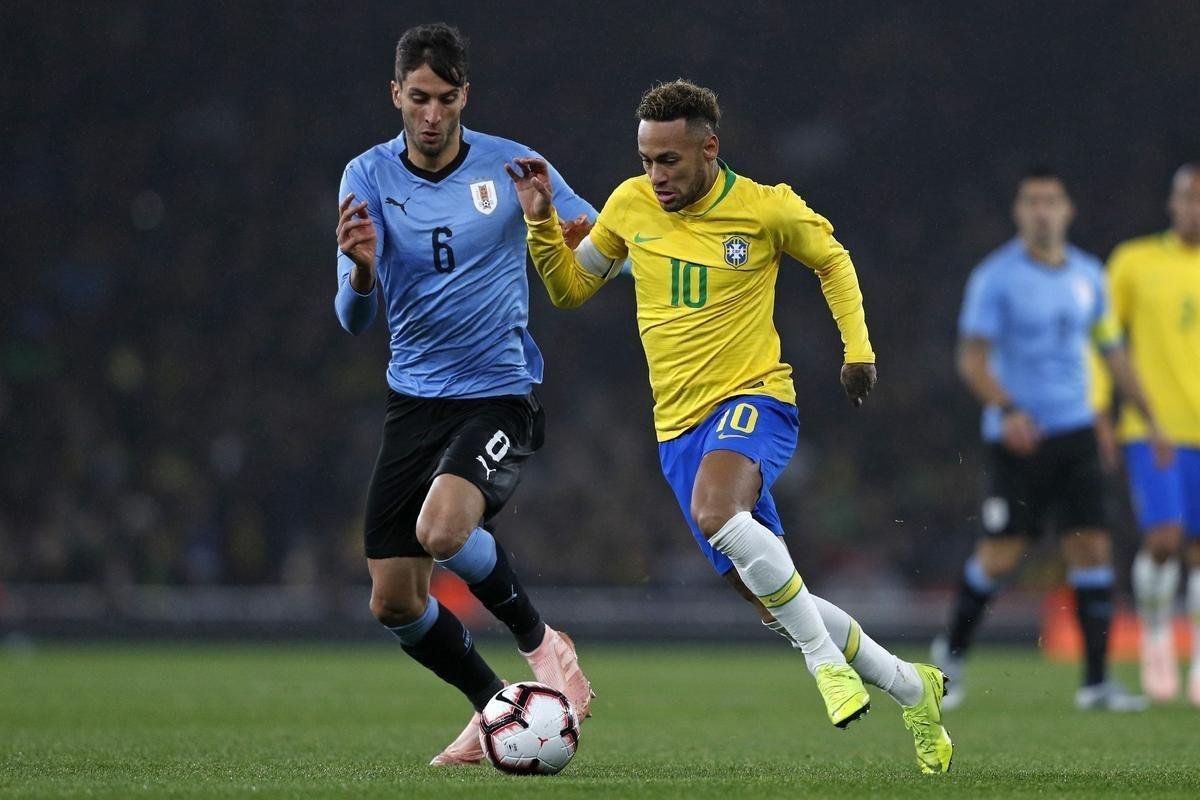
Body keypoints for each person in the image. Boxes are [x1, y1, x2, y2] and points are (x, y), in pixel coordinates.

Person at [506, 79, 953, 774]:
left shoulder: (765, 207)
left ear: (709, 148)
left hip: (754, 398)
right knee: (779, 600)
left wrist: (857, 351)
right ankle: (911, 687)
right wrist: (539, 222)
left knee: (718, 512)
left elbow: (833, 260)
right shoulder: (628, 206)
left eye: (670, 161)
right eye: (648, 160)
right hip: (677, 430)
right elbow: (570, 288)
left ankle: (824, 667)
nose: (656, 176)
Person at [333, 23, 594, 766]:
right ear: (396, 95)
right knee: (394, 602)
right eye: (418, 98)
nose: (432, 114)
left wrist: (569, 230)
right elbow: (352, 320)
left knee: (443, 530)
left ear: (464, 96)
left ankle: (546, 649)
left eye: (446, 99)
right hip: (412, 402)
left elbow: (601, 242)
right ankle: (496, 708)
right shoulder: (367, 177)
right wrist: (359, 271)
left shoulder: (513, 166)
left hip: (498, 394)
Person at [931, 166, 1169, 712]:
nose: (1042, 210)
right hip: (1018, 439)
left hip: (1076, 431)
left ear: (1067, 211)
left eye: (1051, 201)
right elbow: (972, 359)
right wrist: (1007, 408)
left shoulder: (1090, 276)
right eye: (1032, 201)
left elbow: (1113, 354)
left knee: (1092, 548)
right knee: (1000, 555)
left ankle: (1096, 683)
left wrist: (1150, 419)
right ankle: (952, 658)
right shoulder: (995, 277)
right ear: (1019, 212)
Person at [1108, 163, 1200, 704]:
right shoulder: (1135, 262)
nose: (1194, 208)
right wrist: (1101, 407)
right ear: (1171, 203)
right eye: (1187, 197)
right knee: (1164, 541)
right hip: (1154, 429)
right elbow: (1105, 340)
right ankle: (1157, 638)